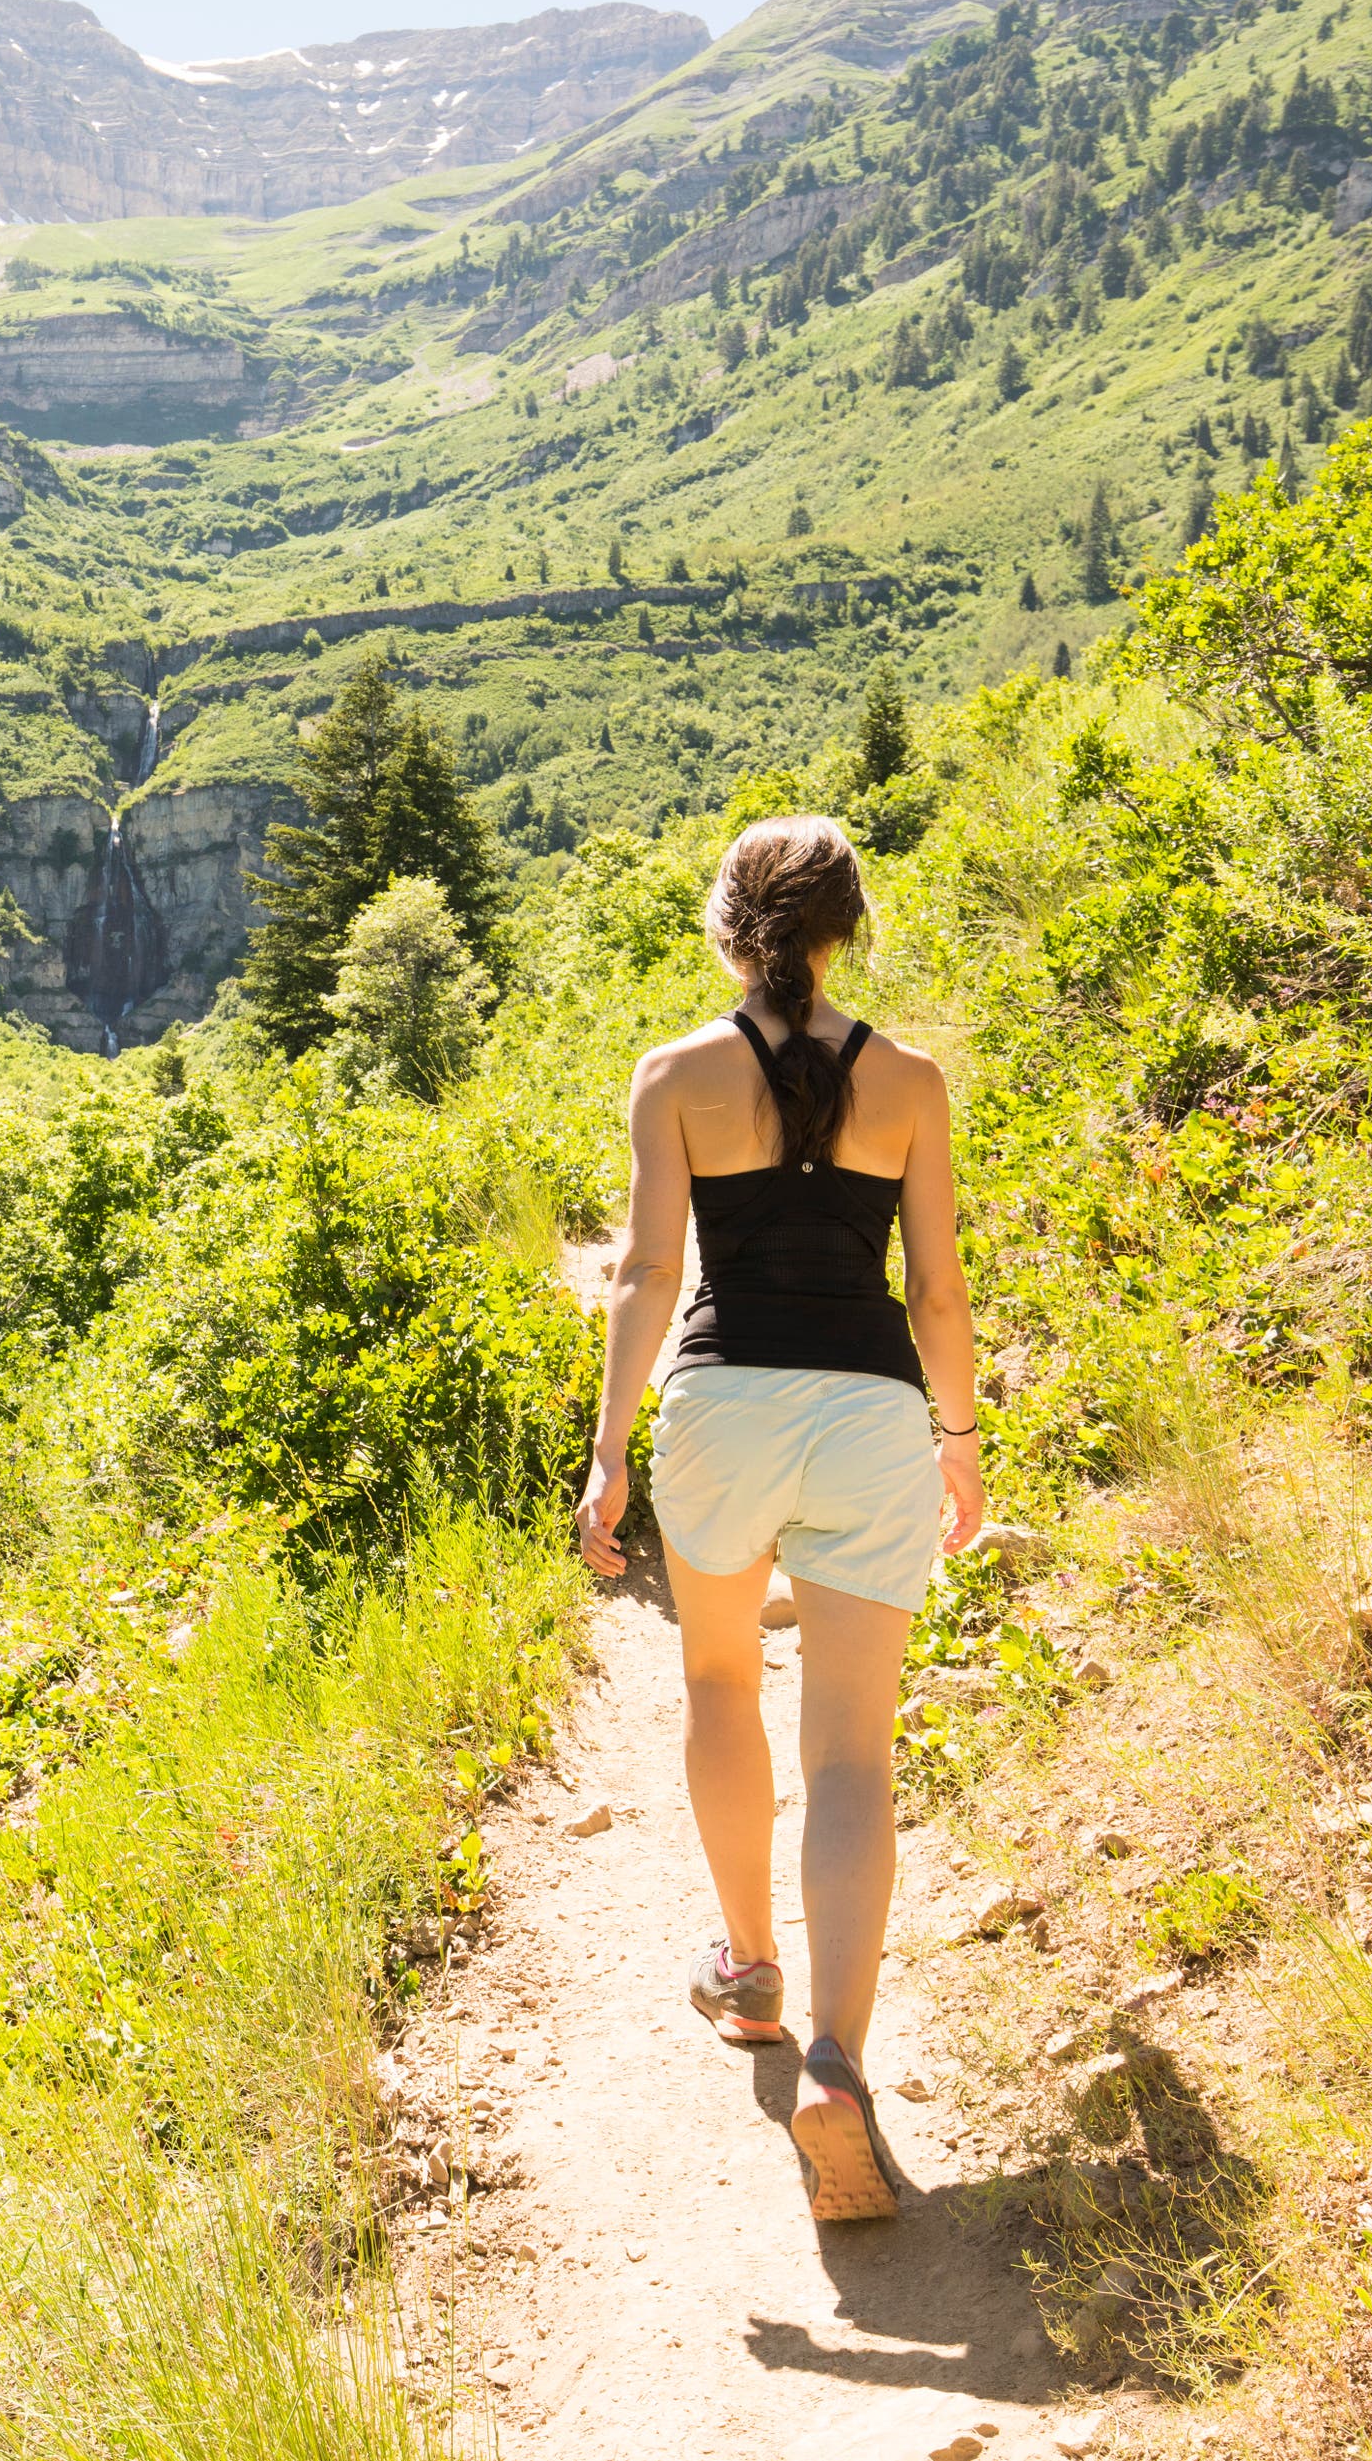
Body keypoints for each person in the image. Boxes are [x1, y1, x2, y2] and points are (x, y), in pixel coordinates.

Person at [574, 814, 982, 2222]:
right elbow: (935, 1296)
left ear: (727, 927)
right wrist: (962, 1440)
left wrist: (611, 1449)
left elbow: (642, 1273)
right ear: (843, 927)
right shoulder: (914, 1081)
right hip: (872, 1418)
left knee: (718, 1678)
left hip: (723, 1410)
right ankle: (837, 2064)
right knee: (853, 1751)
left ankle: (748, 1966)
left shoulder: (675, 1075)